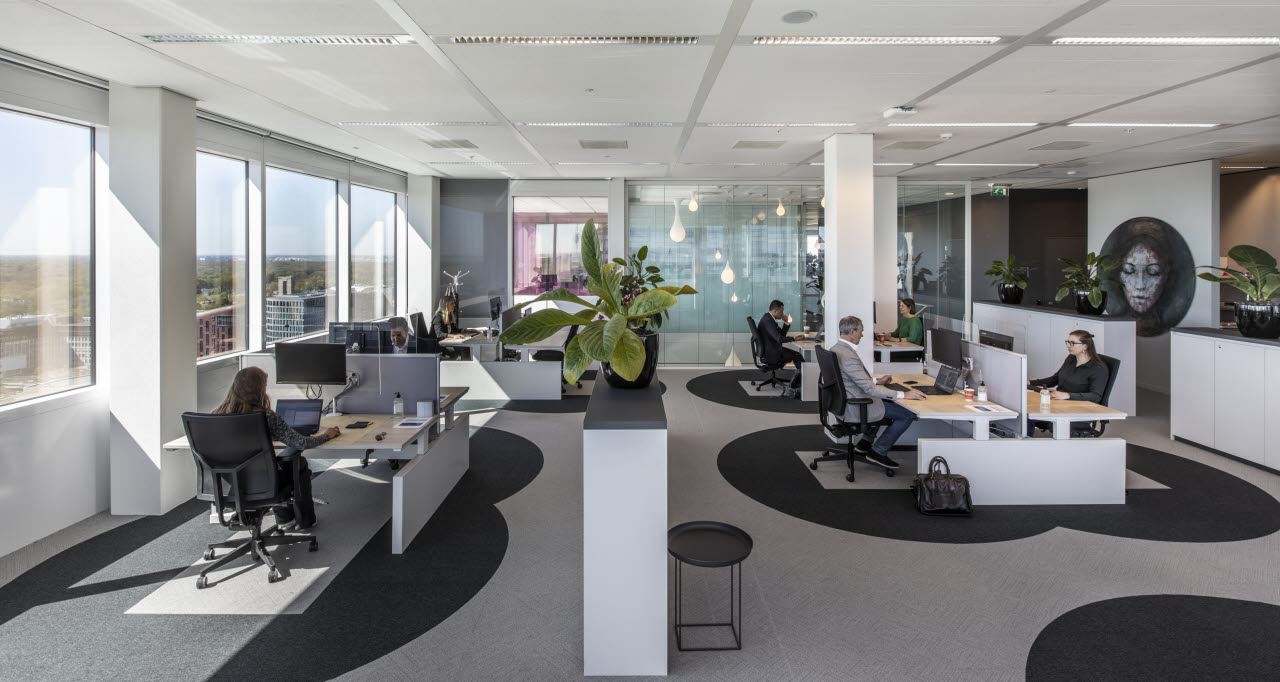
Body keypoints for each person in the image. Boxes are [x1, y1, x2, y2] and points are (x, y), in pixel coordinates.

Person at [211, 367, 339, 529]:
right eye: (264, 385)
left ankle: (285, 519)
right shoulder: (266, 416)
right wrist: (327, 435)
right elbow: (301, 443)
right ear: (259, 389)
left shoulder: (215, 415)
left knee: (279, 465)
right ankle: (304, 520)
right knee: (298, 463)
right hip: (263, 482)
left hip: (228, 482)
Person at [831, 315, 925, 470]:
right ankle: (878, 451)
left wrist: (877, 381)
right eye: (860, 331)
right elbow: (869, 389)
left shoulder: (836, 349)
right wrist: (904, 394)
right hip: (856, 405)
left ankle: (864, 443)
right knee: (907, 415)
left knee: (885, 400)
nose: (862, 335)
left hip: (845, 401)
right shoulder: (848, 356)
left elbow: (850, 379)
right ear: (852, 332)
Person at [1028, 330, 1111, 436]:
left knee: (1030, 416)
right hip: (1059, 404)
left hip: (1078, 410)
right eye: (1068, 342)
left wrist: (1067, 395)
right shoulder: (1071, 359)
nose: (1068, 345)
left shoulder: (1098, 369)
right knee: (1026, 414)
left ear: (1085, 346)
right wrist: (1031, 382)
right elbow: (1055, 379)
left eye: (1072, 343)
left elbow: (1095, 396)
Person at [757, 299, 808, 398]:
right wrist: (794, 338)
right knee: (797, 355)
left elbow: (781, 335)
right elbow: (779, 339)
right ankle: (801, 384)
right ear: (775, 311)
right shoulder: (768, 321)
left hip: (770, 351)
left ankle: (800, 382)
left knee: (796, 355)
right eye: (781, 311)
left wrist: (787, 323)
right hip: (772, 353)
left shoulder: (769, 318)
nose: (783, 314)